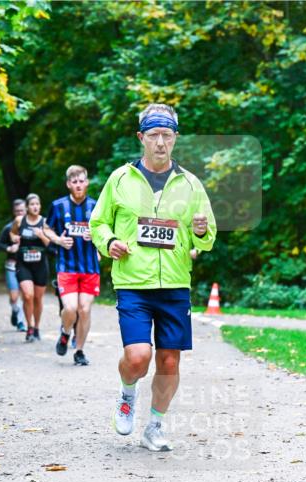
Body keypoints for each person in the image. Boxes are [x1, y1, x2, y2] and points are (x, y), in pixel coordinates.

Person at [89, 103, 216, 452]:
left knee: (170, 360)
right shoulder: (120, 179)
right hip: (133, 283)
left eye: (167, 135)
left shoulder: (190, 184)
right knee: (138, 357)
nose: (161, 142)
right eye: (154, 135)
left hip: (175, 283)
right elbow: (98, 222)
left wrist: (202, 231)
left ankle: (155, 425)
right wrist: (110, 241)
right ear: (141, 138)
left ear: (175, 139)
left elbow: (207, 236)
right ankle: (127, 393)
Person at [45, 165, 100, 366]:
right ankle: (65, 332)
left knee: (84, 310)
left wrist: (96, 236)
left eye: (81, 181)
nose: (78, 185)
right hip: (66, 266)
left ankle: (79, 351)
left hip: (90, 267)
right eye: (74, 182)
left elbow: (106, 231)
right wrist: (58, 240)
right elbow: (46, 229)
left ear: (87, 183)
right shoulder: (58, 206)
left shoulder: (96, 206)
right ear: (69, 184)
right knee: (71, 308)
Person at [10, 193, 51, 342]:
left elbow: (50, 245)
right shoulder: (20, 221)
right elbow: (12, 232)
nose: (35, 207)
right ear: (27, 207)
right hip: (23, 264)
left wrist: (42, 235)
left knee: (38, 298)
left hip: (40, 265)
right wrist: (14, 238)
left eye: (37, 204)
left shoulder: (45, 223)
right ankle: (30, 327)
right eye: (32, 204)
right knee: (28, 295)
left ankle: (37, 327)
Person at [1, 199, 28, 330]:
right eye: (17, 211)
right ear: (13, 212)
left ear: (26, 210)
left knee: (25, 294)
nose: (19, 213)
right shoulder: (8, 228)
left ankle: (21, 322)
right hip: (11, 265)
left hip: (27, 266)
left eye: (22, 211)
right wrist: (9, 248)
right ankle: (15, 310)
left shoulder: (32, 226)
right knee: (14, 296)